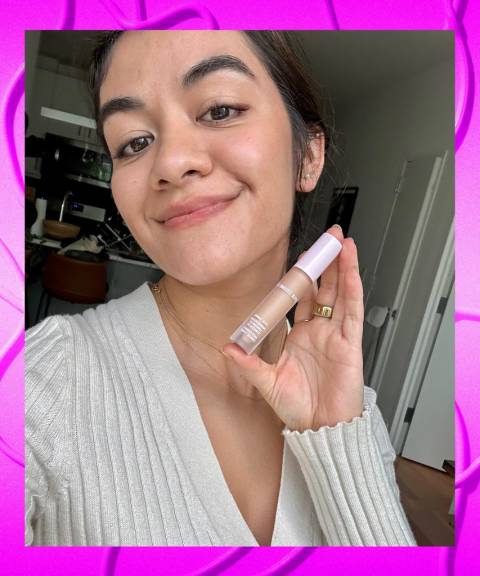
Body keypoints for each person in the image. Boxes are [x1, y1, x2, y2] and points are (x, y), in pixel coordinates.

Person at [25, 30, 417, 546]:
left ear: (308, 156)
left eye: (219, 110)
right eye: (134, 142)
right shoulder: (40, 384)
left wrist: (338, 438)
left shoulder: (355, 414)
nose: (170, 163)